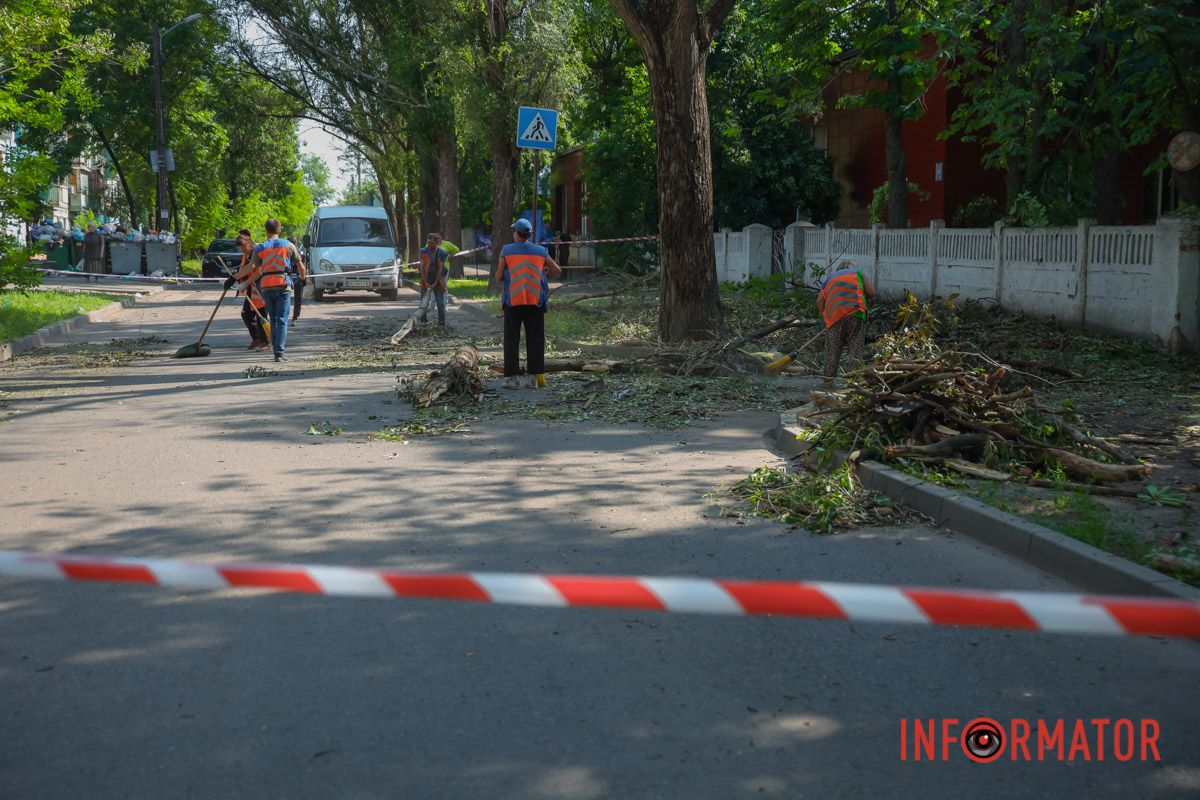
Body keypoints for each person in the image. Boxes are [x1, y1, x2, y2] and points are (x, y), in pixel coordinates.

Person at [497, 217, 562, 389]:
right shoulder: (540, 251)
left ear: (516, 233)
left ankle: (513, 379)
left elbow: (498, 276)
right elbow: (557, 269)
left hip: (513, 300)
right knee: (535, 339)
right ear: (529, 234)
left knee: (512, 339)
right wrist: (543, 274)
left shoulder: (506, 251)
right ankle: (534, 379)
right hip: (535, 300)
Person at [229, 218, 304, 362]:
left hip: (267, 286)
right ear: (279, 230)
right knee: (281, 320)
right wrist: (303, 278)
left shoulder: (260, 248)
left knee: (274, 319)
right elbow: (300, 265)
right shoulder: (288, 245)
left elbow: (251, 267)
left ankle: (275, 348)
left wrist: (233, 278)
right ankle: (279, 352)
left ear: (266, 231)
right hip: (283, 285)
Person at [816, 260, 877, 382]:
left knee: (831, 354)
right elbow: (871, 293)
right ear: (852, 268)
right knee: (855, 351)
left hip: (834, 318)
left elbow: (819, 302)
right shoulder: (858, 273)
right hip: (857, 314)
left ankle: (827, 382)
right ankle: (853, 383)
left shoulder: (830, 279)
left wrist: (825, 318)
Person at [234, 230, 268, 350]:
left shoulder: (256, 252)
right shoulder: (246, 255)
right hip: (250, 288)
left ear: (249, 243)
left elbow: (258, 271)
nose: (242, 249)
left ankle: (266, 341)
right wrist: (236, 279)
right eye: (240, 247)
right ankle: (257, 338)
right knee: (247, 314)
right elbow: (244, 269)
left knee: (261, 315)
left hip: (259, 287)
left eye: (243, 246)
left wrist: (245, 283)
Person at [418, 232, 448, 326]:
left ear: (437, 243)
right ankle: (423, 322)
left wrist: (435, 283)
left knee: (440, 303)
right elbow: (422, 268)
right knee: (424, 303)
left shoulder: (441, 253)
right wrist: (426, 282)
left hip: (438, 280)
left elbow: (440, 269)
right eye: (428, 243)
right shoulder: (423, 251)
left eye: (432, 243)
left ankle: (441, 323)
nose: (430, 245)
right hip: (426, 279)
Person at [286, 235, 307, 322]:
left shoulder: (300, 253)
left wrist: (303, 278)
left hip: (297, 276)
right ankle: (286, 317)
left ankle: (295, 316)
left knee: (297, 298)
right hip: (287, 276)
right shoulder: (285, 252)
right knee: (286, 298)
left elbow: (303, 266)